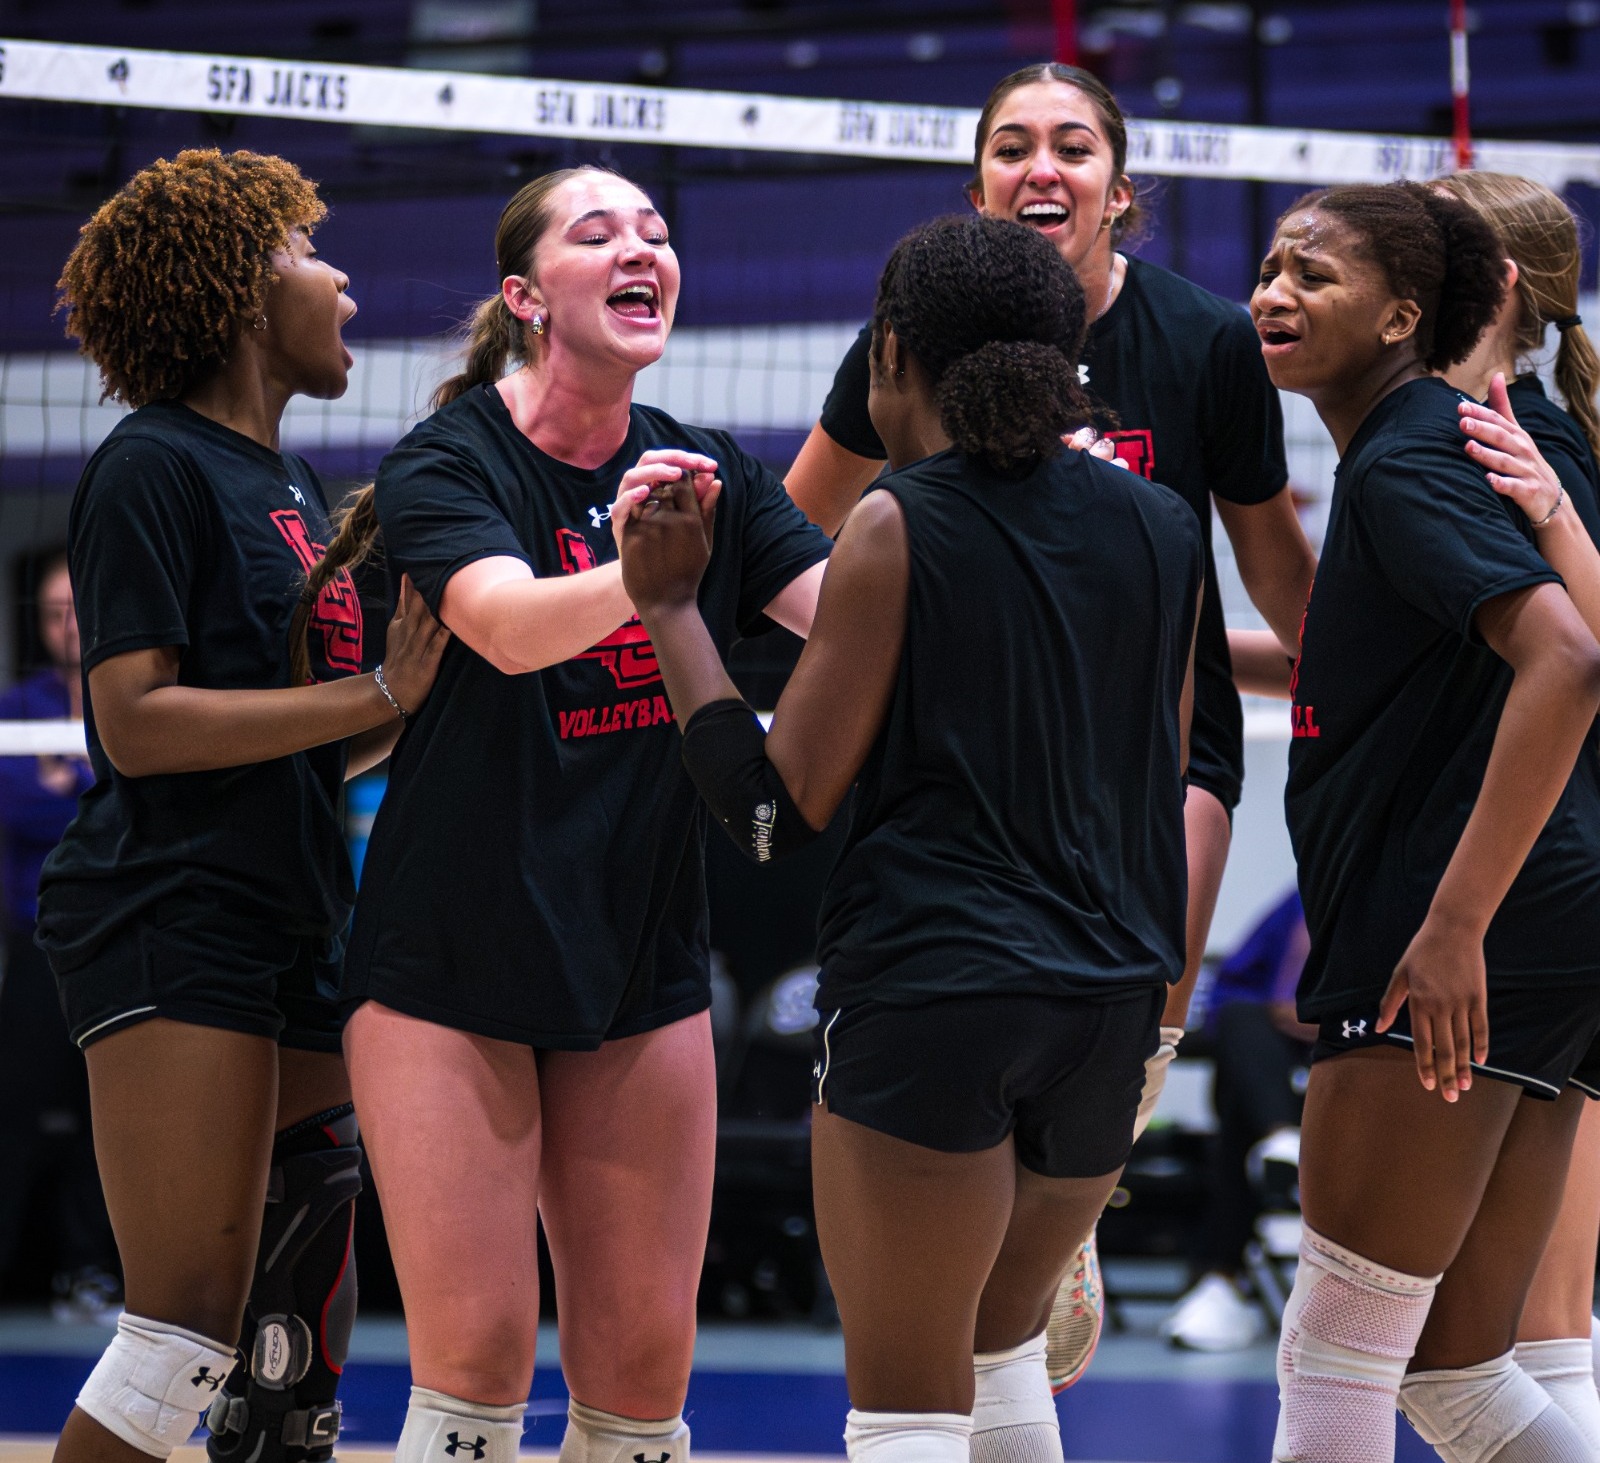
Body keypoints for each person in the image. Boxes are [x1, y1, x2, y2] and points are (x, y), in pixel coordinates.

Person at [619, 212, 1201, 1463]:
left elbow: (772, 816)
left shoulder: (898, 521)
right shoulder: (1161, 526)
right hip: (1109, 1011)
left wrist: (671, 609)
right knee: (1000, 1368)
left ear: (891, 353)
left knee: (904, 1414)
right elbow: (1170, 775)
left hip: (939, 995)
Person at [783, 60, 1316, 1390]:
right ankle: (1034, 1237)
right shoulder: (906, 339)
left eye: (1071, 146)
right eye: (1010, 145)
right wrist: (881, 638)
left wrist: (1364, 671)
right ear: (977, 191)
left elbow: (1278, 581)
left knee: (1141, 985)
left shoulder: (1203, 343)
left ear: (1119, 193)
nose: (1041, 166)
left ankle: (1070, 1204)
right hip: (967, 752)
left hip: (1151, 742)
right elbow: (795, 527)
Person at [334, 164, 830, 1463]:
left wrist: (1003, 500)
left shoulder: (707, 467)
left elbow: (852, 620)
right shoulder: (448, 458)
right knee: (479, 1374)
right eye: (599, 231)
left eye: (658, 231)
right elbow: (499, 626)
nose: (640, 249)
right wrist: (647, 576)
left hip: (638, 960)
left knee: (639, 1395)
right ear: (524, 294)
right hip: (449, 964)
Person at [35, 148, 447, 1463]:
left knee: (292, 1350)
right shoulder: (151, 467)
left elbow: (301, 744)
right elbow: (139, 725)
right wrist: (374, 689)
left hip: (291, 912)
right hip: (172, 912)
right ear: (240, 285)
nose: (345, 285)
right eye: (313, 254)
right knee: (184, 1332)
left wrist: (421, 693)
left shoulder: (287, 487)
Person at [1255, 179, 1600, 1463]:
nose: (1274, 293)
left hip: (1460, 921)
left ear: (1415, 308)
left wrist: (1452, 924)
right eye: (1270, 266)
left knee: (1337, 1358)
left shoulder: (1421, 450)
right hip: (1545, 921)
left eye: (1314, 272)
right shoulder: (1440, 448)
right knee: (1457, 1371)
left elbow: (1567, 661)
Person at [1439, 169, 1600, 1454]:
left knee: (1465, 1349)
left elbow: (1576, 657)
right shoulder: (1540, 428)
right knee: (1539, 1330)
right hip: (1566, 883)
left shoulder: (1503, 443)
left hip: (1536, 889)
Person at [0, 553, 119, 1320]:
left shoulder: (127, 690)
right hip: (36, 946)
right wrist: (84, 783)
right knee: (24, 1111)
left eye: (76, 606)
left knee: (108, 1121)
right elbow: (23, 810)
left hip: (116, 942)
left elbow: (119, 802)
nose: (66, 623)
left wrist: (68, 777)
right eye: (52, 611)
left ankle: (93, 1274)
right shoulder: (20, 706)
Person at [1159, 889, 1312, 1353]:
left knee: (1241, 1107)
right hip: (1282, 1073)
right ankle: (1282, 1149)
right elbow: (1235, 988)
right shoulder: (1303, 895)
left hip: (1376, 1061)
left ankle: (1219, 1274)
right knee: (1242, 1025)